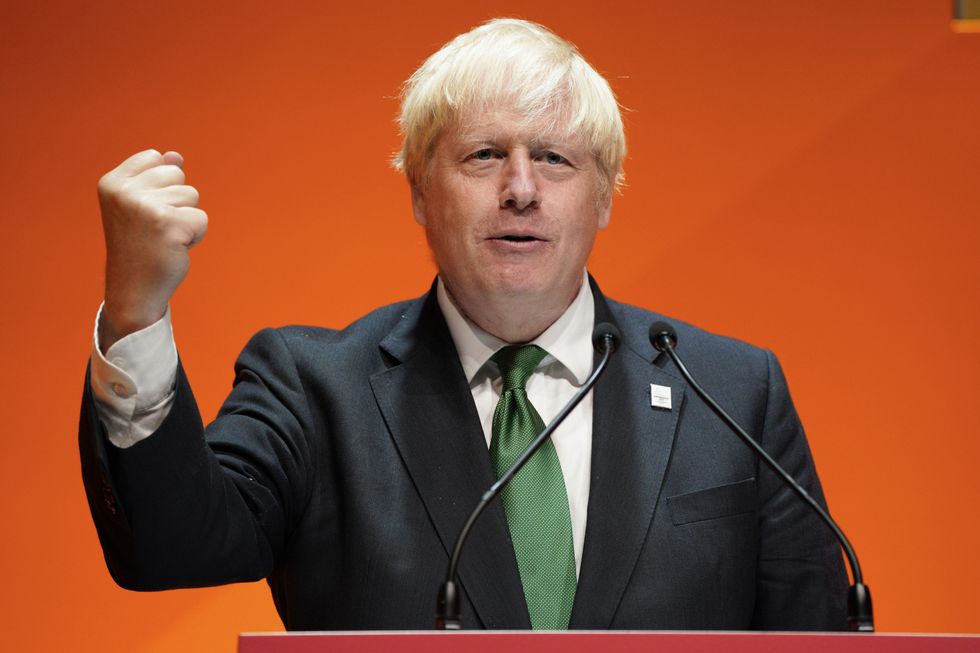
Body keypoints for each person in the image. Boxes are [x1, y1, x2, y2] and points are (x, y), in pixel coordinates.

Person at [80, 18, 847, 630]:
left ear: (605, 197)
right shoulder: (315, 390)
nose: (520, 188)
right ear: (420, 191)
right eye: (483, 155)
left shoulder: (731, 392)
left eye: (553, 158)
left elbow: (814, 629)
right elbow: (168, 548)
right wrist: (136, 312)